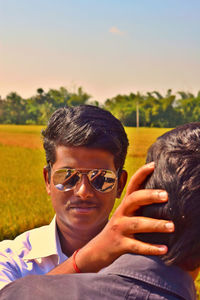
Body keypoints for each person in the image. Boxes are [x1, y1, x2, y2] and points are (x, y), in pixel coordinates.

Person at [0, 122, 198, 300]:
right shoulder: (10, 258)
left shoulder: (144, 259)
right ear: (47, 180)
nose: (83, 191)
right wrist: (90, 257)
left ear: (121, 184)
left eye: (102, 179)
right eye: (68, 177)